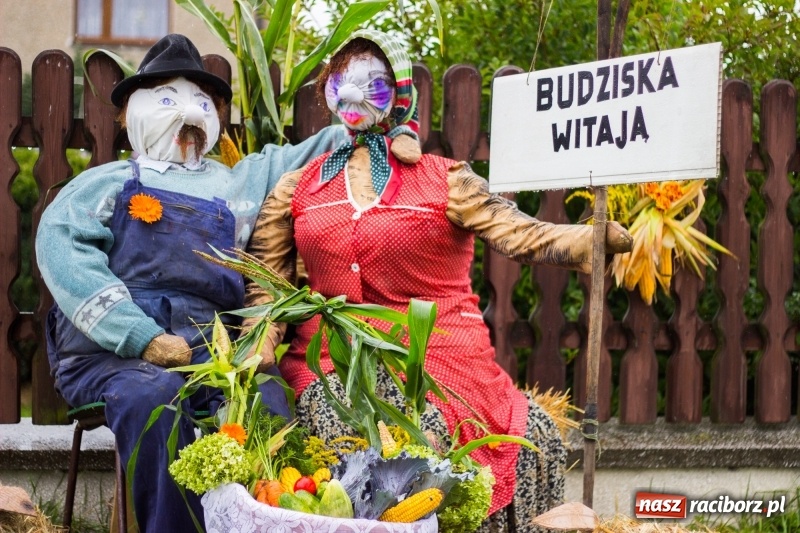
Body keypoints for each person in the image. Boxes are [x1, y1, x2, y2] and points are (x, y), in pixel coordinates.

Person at [242, 30, 633, 532]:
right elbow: (267, 281)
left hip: (440, 357)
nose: (353, 92)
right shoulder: (301, 185)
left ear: (399, 89)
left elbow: (518, 232)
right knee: (351, 425)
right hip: (332, 361)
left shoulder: (446, 178)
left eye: (372, 81)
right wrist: (262, 344)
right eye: (343, 80)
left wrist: (587, 242)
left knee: (471, 432)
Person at [35, 34, 420, 532]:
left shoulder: (240, 182)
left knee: (268, 401)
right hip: (112, 356)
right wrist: (140, 336)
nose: (189, 113)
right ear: (131, 111)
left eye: (201, 101)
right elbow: (63, 250)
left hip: (212, 352)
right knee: (155, 399)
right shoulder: (106, 183)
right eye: (168, 100)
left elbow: (332, 142)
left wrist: (388, 127)